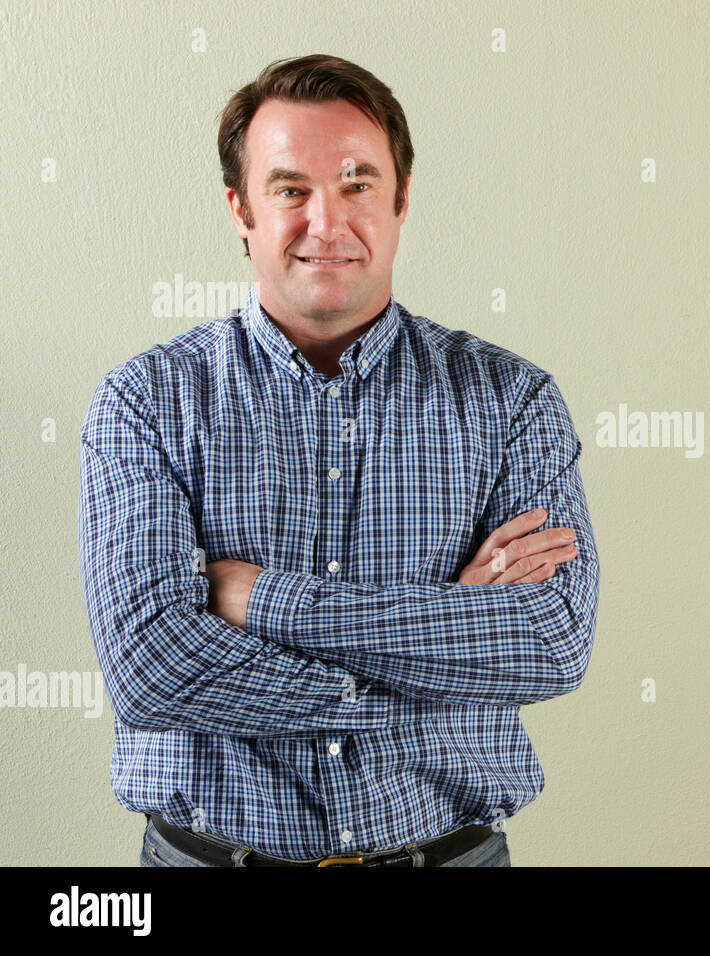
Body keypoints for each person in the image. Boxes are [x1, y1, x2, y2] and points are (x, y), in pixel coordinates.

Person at [77, 54, 600, 867]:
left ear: (399, 200)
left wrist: (267, 601)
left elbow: (553, 640)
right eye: (290, 188)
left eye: (357, 182)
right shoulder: (145, 403)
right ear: (239, 210)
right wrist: (439, 646)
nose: (327, 221)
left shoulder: (512, 400)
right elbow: (152, 669)